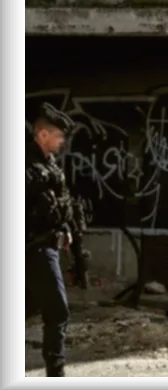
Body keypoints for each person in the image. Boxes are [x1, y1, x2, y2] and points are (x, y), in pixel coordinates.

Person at [25, 105, 77, 378]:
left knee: (32, 307)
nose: (62, 141)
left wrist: (66, 227)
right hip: (35, 248)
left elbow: (62, 202)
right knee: (57, 312)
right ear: (42, 134)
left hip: (49, 246)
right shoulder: (29, 167)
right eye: (58, 135)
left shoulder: (50, 164)